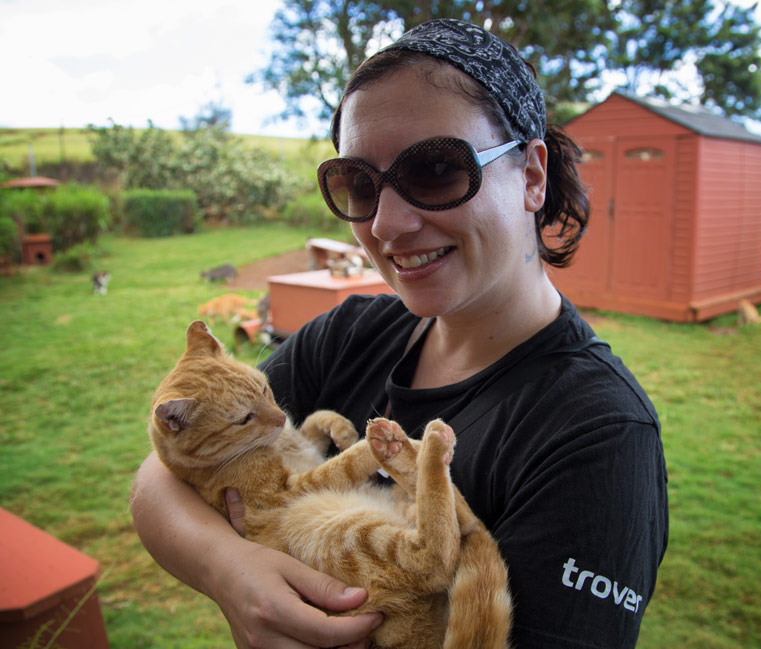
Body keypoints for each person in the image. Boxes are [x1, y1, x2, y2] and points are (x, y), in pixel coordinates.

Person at [130, 18, 667, 649]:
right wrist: (232, 572)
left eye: (437, 169)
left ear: (531, 176)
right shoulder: (349, 335)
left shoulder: (595, 435)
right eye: (359, 184)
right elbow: (157, 480)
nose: (386, 224)